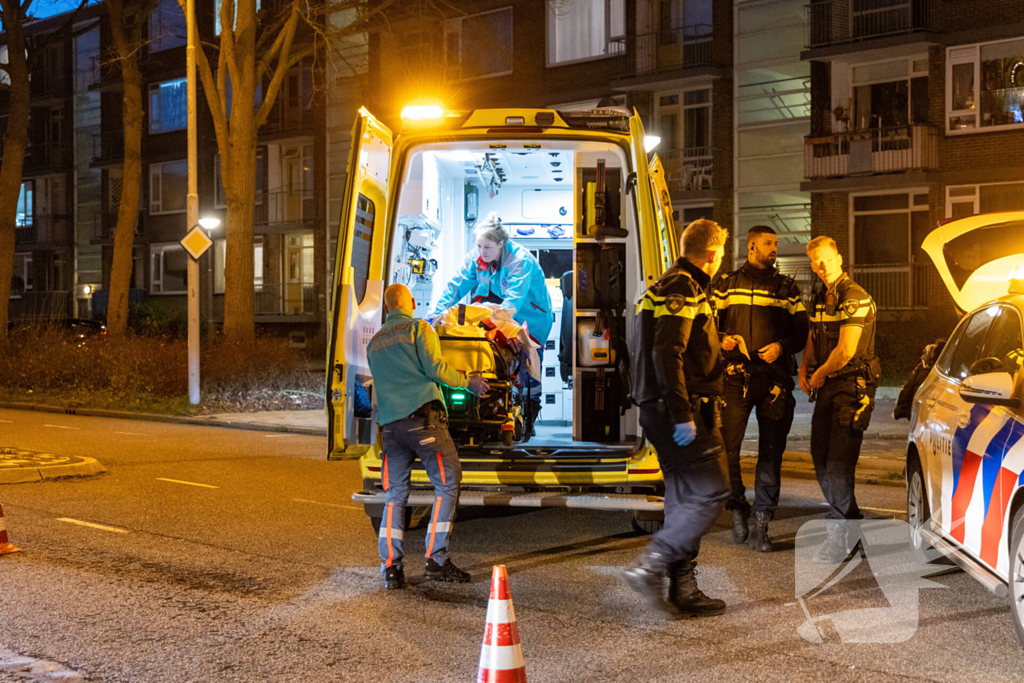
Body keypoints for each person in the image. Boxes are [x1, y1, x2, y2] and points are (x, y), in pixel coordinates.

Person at [623, 219, 730, 619]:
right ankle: (651, 565)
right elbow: (667, 352)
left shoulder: (663, 284)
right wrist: (684, 414)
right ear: (713, 254)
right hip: (680, 411)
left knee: (683, 497)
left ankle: (682, 587)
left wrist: (720, 350)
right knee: (711, 491)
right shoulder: (685, 287)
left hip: (656, 407)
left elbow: (660, 346)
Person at [367, 283, 490, 589]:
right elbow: (435, 368)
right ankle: (436, 561)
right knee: (447, 485)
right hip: (423, 420)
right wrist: (468, 382)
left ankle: (391, 568)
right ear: (409, 301)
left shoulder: (375, 342)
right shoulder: (418, 328)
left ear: (386, 308)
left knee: (395, 496)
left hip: (391, 429)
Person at [712, 226, 808, 552]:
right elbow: (707, 326)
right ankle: (737, 507)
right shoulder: (726, 286)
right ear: (752, 246)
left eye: (776, 244)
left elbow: (801, 333)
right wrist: (721, 339)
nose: (774, 249)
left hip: (774, 383)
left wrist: (781, 348)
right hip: (734, 379)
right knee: (726, 451)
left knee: (771, 455)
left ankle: (761, 525)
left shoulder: (787, 288)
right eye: (768, 244)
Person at [799, 237, 880, 565]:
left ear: (839, 258)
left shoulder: (854, 296)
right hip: (829, 384)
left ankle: (841, 536)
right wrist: (805, 365)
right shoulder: (820, 295)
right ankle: (852, 524)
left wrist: (819, 375)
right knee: (819, 456)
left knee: (838, 465)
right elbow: (814, 333)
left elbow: (846, 351)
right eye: (816, 261)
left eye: (826, 259)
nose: (822, 266)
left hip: (852, 386)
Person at [434, 213, 554, 434]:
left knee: (528, 370)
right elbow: (456, 286)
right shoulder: (477, 258)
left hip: (531, 316)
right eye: (479, 246)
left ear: (501, 243)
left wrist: (495, 324)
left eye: (487, 247)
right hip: (501, 306)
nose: (482, 252)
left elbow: (512, 303)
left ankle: (530, 414)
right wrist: (435, 314)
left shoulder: (520, 261)